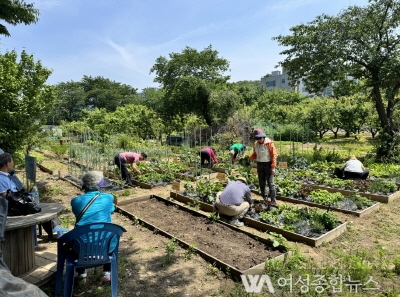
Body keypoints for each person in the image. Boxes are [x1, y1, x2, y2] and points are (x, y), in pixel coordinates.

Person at [0, 153, 60, 238]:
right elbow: (4, 197)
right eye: (12, 161)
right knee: (39, 210)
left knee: (39, 207)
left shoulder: (7, 176)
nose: (13, 163)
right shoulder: (1, 179)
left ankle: (56, 231)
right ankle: (55, 232)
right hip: (12, 208)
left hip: (17, 204)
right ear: (7, 163)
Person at [70, 171, 116, 283]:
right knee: (108, 239)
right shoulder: (109, 198)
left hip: (81, 249)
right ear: (100, 184)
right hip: (105, 248)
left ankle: (82, 274)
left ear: (84, 184)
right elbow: (111, 210)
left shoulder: (75, 201)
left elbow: (78, 214)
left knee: (82, 238)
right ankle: (106, 273)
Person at [249, 129, 278, 207]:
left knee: (270, 183)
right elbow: (255, 154)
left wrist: (273, 167)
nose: (259, 140)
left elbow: (274, 156)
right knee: (261, 182)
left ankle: (273, 200)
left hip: (268, 165)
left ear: (263, 137)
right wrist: (249, 158)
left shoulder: (269, 144)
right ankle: (265, 198)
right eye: (257, 139)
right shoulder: (256, 144)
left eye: (260, 138)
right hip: (260, 164)